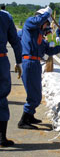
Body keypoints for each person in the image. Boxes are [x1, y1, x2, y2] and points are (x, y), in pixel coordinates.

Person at [18, 6, 60, 130]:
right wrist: (47, 13)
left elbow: (49, 51)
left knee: (37, 93)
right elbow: (38, 21)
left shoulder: (39, 36)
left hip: (35, 64)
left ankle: (30, 115)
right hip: (29, 62)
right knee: (33, 94)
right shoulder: (30, 23)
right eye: (46, 23)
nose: (46, 26)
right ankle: (24, 120)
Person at [0, 10, 22, 147]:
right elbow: (15, 42)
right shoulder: (5, 17)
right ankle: (2, 138)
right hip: (1, 61)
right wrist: (19, 61)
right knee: (1, 98)